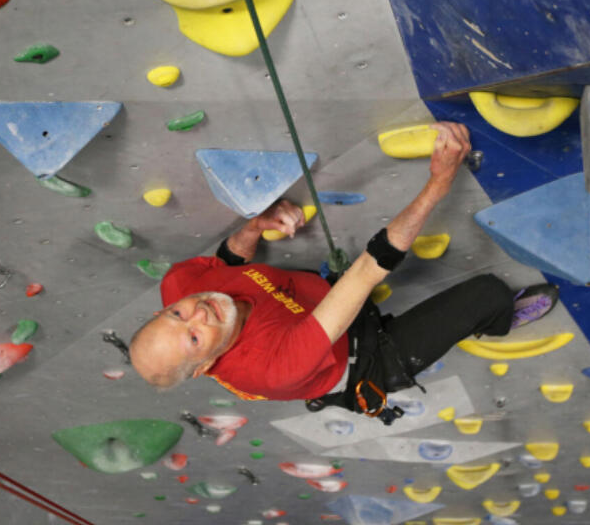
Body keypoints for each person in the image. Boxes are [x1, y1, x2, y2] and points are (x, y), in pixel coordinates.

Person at [129, 122, 558, 416]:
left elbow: (225, 263)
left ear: (161, 309)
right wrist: (438, 183)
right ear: (205, 366)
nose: (198, 312)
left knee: (338, 294)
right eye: (193, 336)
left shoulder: (180, 284)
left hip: (315, 306)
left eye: (177, 314)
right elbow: (371, 268)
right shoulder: (274, 368)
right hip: (362, 360)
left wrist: (255, 227)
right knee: (487, 294)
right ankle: (499, 318)